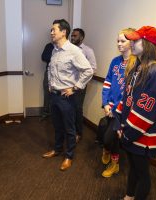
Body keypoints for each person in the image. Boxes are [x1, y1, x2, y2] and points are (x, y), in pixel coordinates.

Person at [115, 26, 156, 200]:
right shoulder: (137, 67)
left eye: (136, 40)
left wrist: (126, 134)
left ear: (147, 44)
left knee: (142, 173)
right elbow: (127, 99)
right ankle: (129, 196)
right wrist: (119, 123)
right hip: (130, 131)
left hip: (143, 134)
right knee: (133, 168)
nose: (131, 43)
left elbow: (146, 112)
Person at [42, 19, 93, 171]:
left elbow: (88, 70)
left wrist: (76, 87)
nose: (51, 32)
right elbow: (51, 69)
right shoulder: (54, 50)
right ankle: (57, 150)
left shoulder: (74, 51)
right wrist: (51, 85)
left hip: (67, 97)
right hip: (55, 96)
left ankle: (69, 156)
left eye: (54, 30)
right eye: (51, 30)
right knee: (57, 126)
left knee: (69, 129)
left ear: (63, 32)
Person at [100, 28, 136, 178]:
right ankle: (110, 154)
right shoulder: (115, 61)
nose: (119, 44)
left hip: (122, 111)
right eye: (118, 41)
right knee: (109, 136)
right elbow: (108, 82)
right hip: (110, 107)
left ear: (131, 43)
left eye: (123, 41)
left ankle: (114, 164)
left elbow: (133, 92)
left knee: (109, 138)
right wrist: (106, 103)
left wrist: (116, 109)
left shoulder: (136, 64)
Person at [70, 28, 97, 143]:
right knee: (68, 109)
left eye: (75, 36)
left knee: (77, 109)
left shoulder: (88, 51)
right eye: (72, 35)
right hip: (68, 85)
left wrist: (82, 80)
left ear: (81, 37)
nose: (72, 38)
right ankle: (69, 132)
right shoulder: (69, 49)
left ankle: (78, 133)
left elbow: (93, 68)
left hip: (79, 86)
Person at [40, 42, 54, 120]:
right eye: (51, 34)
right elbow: (43, 57)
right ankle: (46, 112)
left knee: (59, 94)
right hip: (49, 72)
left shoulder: (66, 46)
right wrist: (54, 57)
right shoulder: (49, 46)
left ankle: (56, 114)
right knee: (47, 92)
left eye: (54, 33)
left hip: (62, 74)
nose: (53, 35)